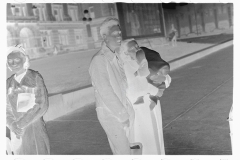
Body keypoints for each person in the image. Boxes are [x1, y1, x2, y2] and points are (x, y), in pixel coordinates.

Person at [89, 17, 135, 155]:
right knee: (123, 153)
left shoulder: (117, 57)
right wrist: (123, 115)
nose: (119, 36)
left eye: (120, 33)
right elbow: (105, 91)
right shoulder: (99, 60)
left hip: (123, 111)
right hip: (111, 113)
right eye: (115, 34)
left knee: (127, 152)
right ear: (105, 37)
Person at [119, 39, 171, 154]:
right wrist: (153, 89)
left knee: (156, 137)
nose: (137, 49)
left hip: (153, 106)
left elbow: (166, 77)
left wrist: (162, 80)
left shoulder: (146, 58)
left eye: (137, 46)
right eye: (132, 48)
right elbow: (133, 90)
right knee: (144, 141)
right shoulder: (125, 68)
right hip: (139, 110)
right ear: (125, 53)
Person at [6, 44, 50, 155]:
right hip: (16, 133)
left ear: (24, 60)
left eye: (17, 59)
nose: (13, 63)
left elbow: (41, 105)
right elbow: (5, 108)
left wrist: (20, 124)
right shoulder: (8, 83)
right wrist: (12, 125)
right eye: (10, 60)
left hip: (34, 129)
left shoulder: (35, 77)